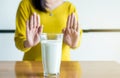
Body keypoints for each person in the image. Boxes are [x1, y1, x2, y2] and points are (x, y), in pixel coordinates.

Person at [14, 0, 82, 61]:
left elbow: (77, 39)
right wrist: (28, 43)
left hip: (62, 67)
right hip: (31, 69)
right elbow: (19, 40)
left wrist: (74, 43)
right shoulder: (25, 5)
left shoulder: (70, 7)